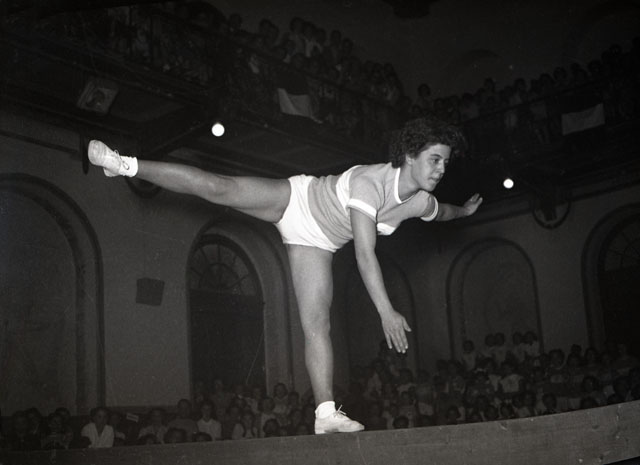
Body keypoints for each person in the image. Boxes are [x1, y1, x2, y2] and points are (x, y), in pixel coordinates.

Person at [87, 116, 482, 434]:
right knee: (220, 187)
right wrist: (386, 310)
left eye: (445, 162)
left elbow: (441, 212)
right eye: (435, 159)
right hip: (298, 201)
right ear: (410, 155)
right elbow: (364, 253)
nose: (441, 169)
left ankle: (325, 414)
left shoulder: (419, 202)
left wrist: (463, 211)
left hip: (317, 245)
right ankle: (123, 164)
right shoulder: (370, 184)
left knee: (317, 325)